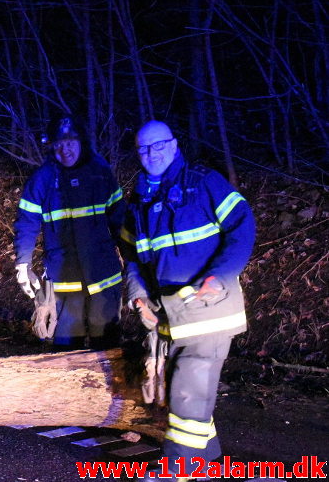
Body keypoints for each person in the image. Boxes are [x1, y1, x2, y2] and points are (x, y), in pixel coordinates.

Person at [121, 120, 255, 481]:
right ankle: (206, 467)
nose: (151, 154)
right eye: (143, 149)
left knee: (187, 395)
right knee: (190, 400)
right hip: (170, 317)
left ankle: (177, 471)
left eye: (158, 145)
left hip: (208, 312)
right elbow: (134, 258)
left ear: (174, 144)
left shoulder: (202, 182)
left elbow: (243, 226)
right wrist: (138, 297)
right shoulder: (140, 200)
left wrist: (220, 276)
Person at [13, 116, 125, 349]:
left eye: (71, 143)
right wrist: (23, 263)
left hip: (102, 274)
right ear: (52, 146)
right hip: (64, 278)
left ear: (81, 142)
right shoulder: (43, 179)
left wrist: (134, 262)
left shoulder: (100, 173)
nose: (65, 150)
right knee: (65, 351)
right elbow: (27, 222)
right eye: (59, 144)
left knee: (107, 348)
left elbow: (120, 220)